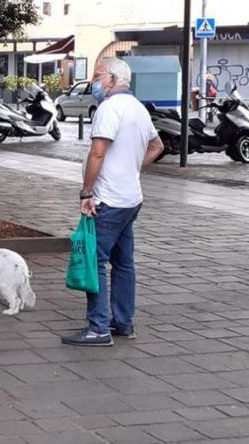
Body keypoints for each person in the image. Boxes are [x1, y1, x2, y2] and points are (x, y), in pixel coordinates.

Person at [62, 58, 163, 347]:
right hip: (131, 198)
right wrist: (133, 168)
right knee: (123, 263)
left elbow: (97, 153)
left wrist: (86, 192)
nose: (93, 81)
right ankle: (123, 322)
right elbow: (157, 146)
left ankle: (98, 327)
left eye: (97, 76)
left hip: (108, 198)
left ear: (112, 79)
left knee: (96, 261)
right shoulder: (138, 108)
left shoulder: (109, 108)